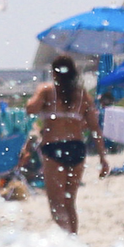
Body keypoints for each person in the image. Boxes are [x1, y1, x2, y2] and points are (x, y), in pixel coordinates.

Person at [27, 55, 101, 232]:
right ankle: (72, 238)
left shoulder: (46, 91)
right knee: (69, 202)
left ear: (54, 72)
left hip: (54, 148)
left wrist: (40, 94)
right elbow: (95, 128)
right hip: (77, 148)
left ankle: (66, 239)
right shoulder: (82, 95)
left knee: (56, 202)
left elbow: (30, 108)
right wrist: (103, 158)